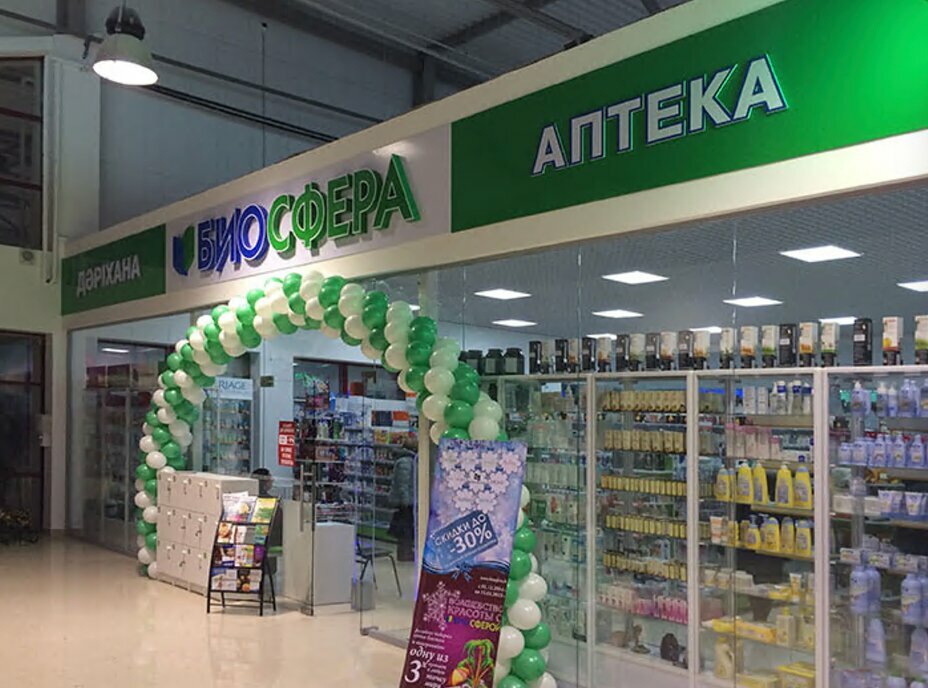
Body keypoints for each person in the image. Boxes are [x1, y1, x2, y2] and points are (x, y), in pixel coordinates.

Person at [250, 468, 282, 577]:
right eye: (270, 478)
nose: (272, 481)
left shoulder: (250, 498)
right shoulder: (271, 501)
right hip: (269, 542)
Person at [389, 438, 417, 562]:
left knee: (405, 528)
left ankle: (405, 551)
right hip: (405, 501)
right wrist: (406, 502)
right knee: (405, 528)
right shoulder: (406, 462)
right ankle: (404, 553)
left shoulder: (408, 460)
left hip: (407, 500)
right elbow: (403, 484)